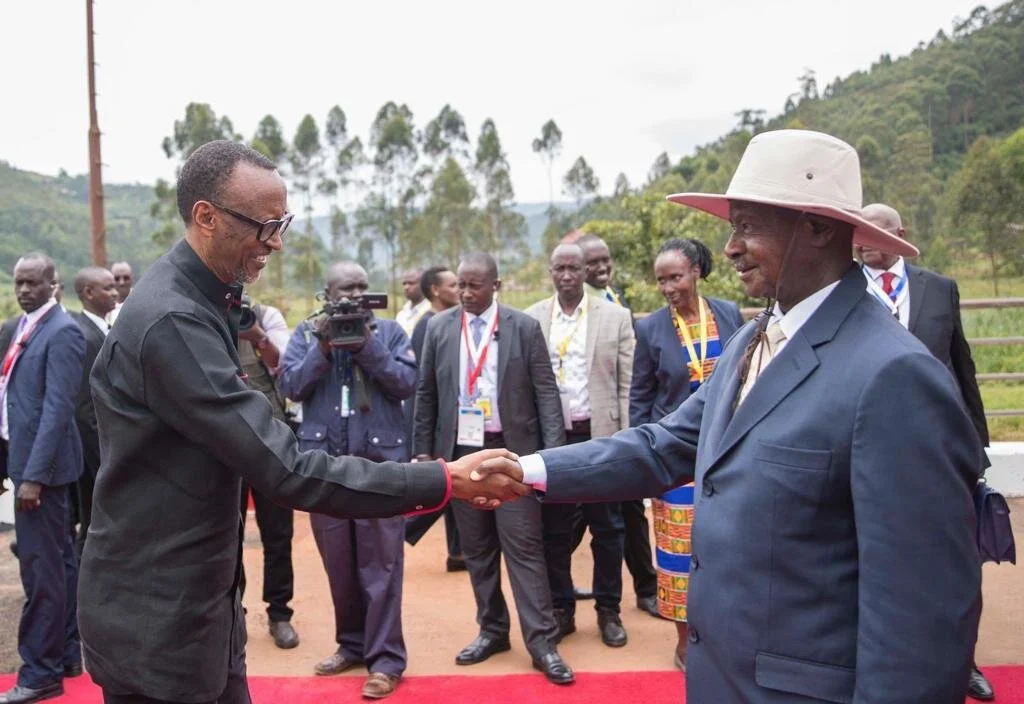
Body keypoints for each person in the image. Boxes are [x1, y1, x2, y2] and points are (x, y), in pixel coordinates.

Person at [480, 130, 985, 703]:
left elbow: (920, 618)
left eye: (748, 226)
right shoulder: (753, 339)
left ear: (818, 228)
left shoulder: (895, 376)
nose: (729, 249)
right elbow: (663, 445)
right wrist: (527, 470)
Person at [77, 140, 526, 704]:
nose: (277, 242)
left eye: (281, 223)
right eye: (264, 226)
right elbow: (284, 468)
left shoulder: (203, 300)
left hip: (198, 610)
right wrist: (442, 479)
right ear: (206, 217)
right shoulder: (172, 320)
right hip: (159, 622)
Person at [413, 252, 574, 685]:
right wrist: (424, 454)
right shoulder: (439, 328)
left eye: (475, 286)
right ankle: (492, 630)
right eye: (461, 285)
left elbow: (546, 395)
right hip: (462, 456)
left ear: (495, 285)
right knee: (477, 550)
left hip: (513, 457)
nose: (465, 293)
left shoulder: (523, 328)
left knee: (524, 548)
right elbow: (426, 393)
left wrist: (552, 459)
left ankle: (543, 643)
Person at [859, 202, 994, 702]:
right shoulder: (844, 293)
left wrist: (976, 447)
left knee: (955, 559)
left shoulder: (940, 288)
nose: (865, 238)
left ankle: (963, 662)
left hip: (938, 452)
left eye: (876, 230)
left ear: (901, 234)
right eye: (859, 230)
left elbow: (963, 367)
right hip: (869, 452)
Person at [279, 261, 414, 699]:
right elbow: (292, 386)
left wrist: (366, 346)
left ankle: (386, 660)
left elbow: (404, 382)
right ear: (327, 293)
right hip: (326, 468)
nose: (354, 295)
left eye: (361, 287)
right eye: (345, 289)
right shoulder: (306, 333)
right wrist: (324, 344)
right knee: (339, 563)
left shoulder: (389, 332)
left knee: (382, 566)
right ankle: (351, 646)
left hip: (380, 467)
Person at [629, 238, 744, 669]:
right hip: (676, 458)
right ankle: (683, 641)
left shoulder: (729, 314)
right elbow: (641, 399)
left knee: (728, 544)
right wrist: (642, 463)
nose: (667, 287)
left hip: (728, 450)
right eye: (661, 280)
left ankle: (724, 633)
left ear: (695, 271)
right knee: (678, 552)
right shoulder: (652, 328)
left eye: (675, 277)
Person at [524, 243, 635, 648]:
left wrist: (627, 442)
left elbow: (626, 388)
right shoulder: (532, 318)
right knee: (554, 530)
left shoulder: (616, 318)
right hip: (554, 442)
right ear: (550, 272)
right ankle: (562, 609)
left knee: (608, 528)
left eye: (574, 268)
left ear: (587, 271)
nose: (567, 275)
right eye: (560, 268)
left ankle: (609, 610)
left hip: (601, 437)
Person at [0, 253, 86, 704]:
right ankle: (68, 654)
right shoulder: (18, 328)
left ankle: (40, 672)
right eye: (18, 283)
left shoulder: (64, 332)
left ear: (55, 285)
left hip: (43, 473)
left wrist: (32, 477)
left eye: (33, 283)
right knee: (59, 564)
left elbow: (57, 411)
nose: (24, 291)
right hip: (25, 463)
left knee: (42, 572)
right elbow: (8, 399)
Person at [574, 233, 659, 613]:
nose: (602, 267)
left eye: (605, 259)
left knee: (630, 516)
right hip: (586, 435)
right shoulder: (576, 312)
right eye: (593, 263)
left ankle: (645, 588)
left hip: (620, 429)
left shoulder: (616, 301)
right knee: (590, 522)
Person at [234, 295, 300, 650]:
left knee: (278, 533)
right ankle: (233, 614)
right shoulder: (204, 313)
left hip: (271, 438)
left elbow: (283, 368)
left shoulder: (266, 315)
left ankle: (280, 614)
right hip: (223, 440)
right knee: (227, 533)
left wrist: (258, 335)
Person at [404, 265, 464, 572]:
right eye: (453, 284)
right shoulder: (427, 326)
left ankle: (458, 552)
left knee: (455, 488)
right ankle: (405, 527)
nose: (459, 289)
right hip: (438, 422)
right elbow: (423, 385)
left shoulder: (455, 321)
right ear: (436, 291)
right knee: (445, 487)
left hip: (454, 418)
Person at [71, 266, 118, 558]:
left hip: (102, 450)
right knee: (92, 527)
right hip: (94, 456)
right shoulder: (85, 336)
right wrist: (103, 460)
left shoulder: (103, 329)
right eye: (108, 288)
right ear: (88, 293)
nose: (115, 293)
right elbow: (85, 408)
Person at [395, 268, 430, 339]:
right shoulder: (401, 315)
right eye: (404, 284)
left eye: (411, 283)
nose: (406, 287)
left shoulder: (431, 311)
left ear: (424, 285)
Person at [107, 261, 133, 326]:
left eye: (126, 278)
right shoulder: (104, 304)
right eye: (117, 279)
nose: (122, 283)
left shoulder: (140, 300)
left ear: (132, 278)